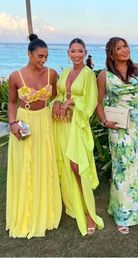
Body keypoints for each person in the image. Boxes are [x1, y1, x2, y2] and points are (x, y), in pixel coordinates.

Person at [7, 34, 62, 238]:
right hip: (25, 121)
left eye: (46, 57)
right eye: (39, 56)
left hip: (45, 121)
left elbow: (57, 95)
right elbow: (12, 102)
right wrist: (13, 123)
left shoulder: (52, 74)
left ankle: (46, 211)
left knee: (44, 164)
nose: (43, 60)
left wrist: (58, 104)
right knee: (25, 166)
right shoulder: (15, 76)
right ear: (29, 53)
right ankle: (26, 213)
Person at [96, 37, 138, 234]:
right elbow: (98, 102)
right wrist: (105, 122)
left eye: (125, 46)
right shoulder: (104, 76)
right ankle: (121, 214)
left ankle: (136, 210)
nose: (125, 50)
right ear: (112, 53)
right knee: (122, 169)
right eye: (119, 48)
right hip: (118, 127)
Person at [52, 38, 104, 236]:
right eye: (73, 51)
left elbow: (90, 103)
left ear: (85, 52)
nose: (76, 55)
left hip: (77, 125)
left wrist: (72, 103)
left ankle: (90, 214)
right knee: (65, 166)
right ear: (68, 53)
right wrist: (57, 104)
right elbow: (59, 95)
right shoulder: (65, 72)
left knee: (77, 167)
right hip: (62, 126)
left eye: (80, 51)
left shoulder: (88, 74)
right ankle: (74, 205)